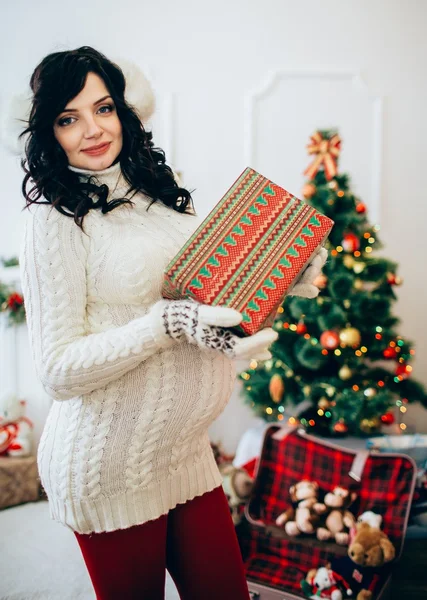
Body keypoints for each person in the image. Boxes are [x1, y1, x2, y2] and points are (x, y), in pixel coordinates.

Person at [17, 46, 327, 600]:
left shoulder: (157, 195)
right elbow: (57, 370)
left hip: (183, 451)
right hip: (110, 465)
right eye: (69, 118)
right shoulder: (55, 219)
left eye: (103, 108)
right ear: (48, 131)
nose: (92, 129)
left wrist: (283, 275)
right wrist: (167, 324)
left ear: (124, 110)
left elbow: (208, 303)